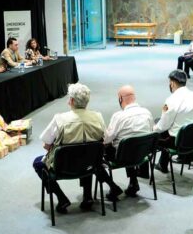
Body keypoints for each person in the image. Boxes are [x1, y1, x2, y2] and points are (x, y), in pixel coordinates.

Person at [32, 83, 105, 214]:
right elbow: (103, 139)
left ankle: (61, 198)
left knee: (38, 163)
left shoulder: (60, 119)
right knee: (88, 152)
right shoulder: (98, 117)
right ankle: (87, 197)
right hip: (90, 165)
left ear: (71, 100)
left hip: (63, 167)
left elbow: (46, 144)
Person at [101, 85, 154, 200]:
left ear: (120, 98)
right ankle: (133, 182)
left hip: (122, 156)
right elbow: (151, 132)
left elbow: (106, 139)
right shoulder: (147, 113)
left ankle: (113, 186)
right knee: (132, 142)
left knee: (117, 145)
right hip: (142, 154)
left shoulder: (119, 116)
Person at [154, 70, 193, 172]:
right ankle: (186, 157)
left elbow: (163, 126)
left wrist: (152, 129)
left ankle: (160, 165)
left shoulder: (172, 100)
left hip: (178, 141)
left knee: (154, 132)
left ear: (172, 83)